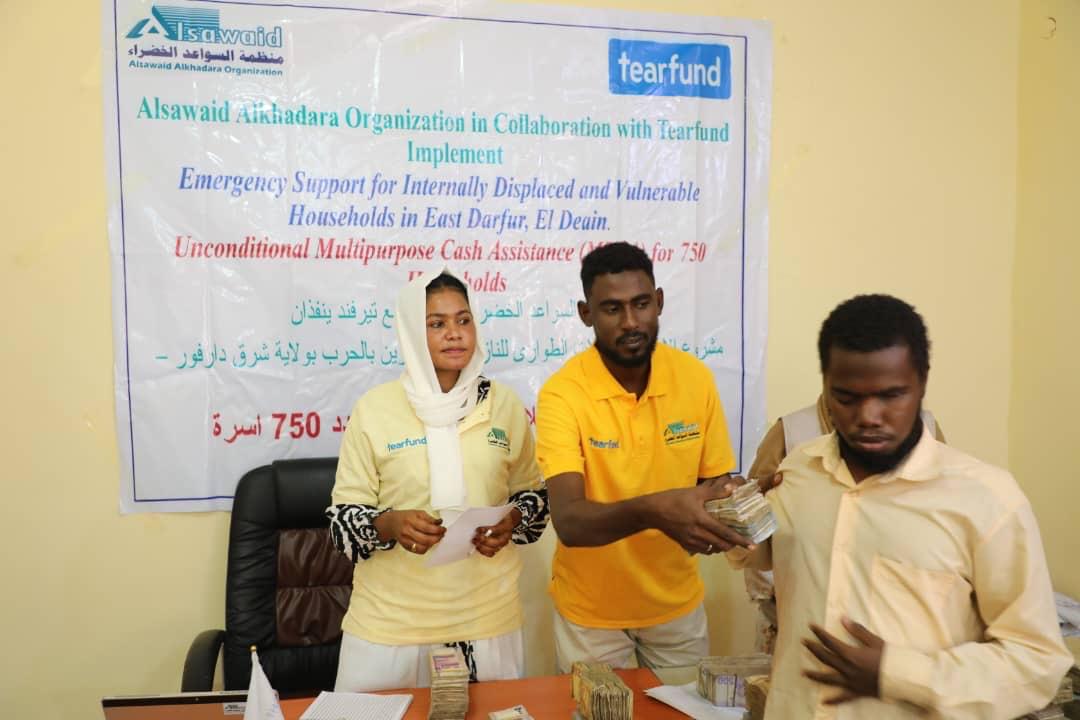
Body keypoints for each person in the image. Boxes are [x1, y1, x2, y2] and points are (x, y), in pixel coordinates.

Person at [729, 294, 1070, 719]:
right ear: (826, 386)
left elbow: (1036, 662)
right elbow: (762, 553)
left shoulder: (987, 500)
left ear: (922, 384)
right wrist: (731, 515)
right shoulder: (798, 469)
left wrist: (899, 674)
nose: (869, 416)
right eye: (846, 397)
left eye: (891, 395)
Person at [326, 269, 549, 691]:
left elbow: (534, 498)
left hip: (488, 619)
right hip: (389, 625)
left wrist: (512, 520)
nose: (454, 333)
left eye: (464, 320)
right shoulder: (374, 409)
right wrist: (389, 524)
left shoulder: (503, 404)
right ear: (412, 331)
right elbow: (342, 524)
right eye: (436, 323)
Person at [535, 241, 749, 673]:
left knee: (685, 705)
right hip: (590, 614)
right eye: (612, 309)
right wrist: (656, 509)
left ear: (660, 302)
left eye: (641, 304)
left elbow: (713, 485)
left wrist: (737, 500)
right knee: (594, 707)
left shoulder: (694, 379)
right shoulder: (563, 393)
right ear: (586, 314)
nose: (631, 322)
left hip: (676, 604)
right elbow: (570, 522)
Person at [743, 397, 945, 653]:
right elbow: (752, 533)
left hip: (901, 630)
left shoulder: (927, 430)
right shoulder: (791, 433)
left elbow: (942, 522)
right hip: (800, 627)